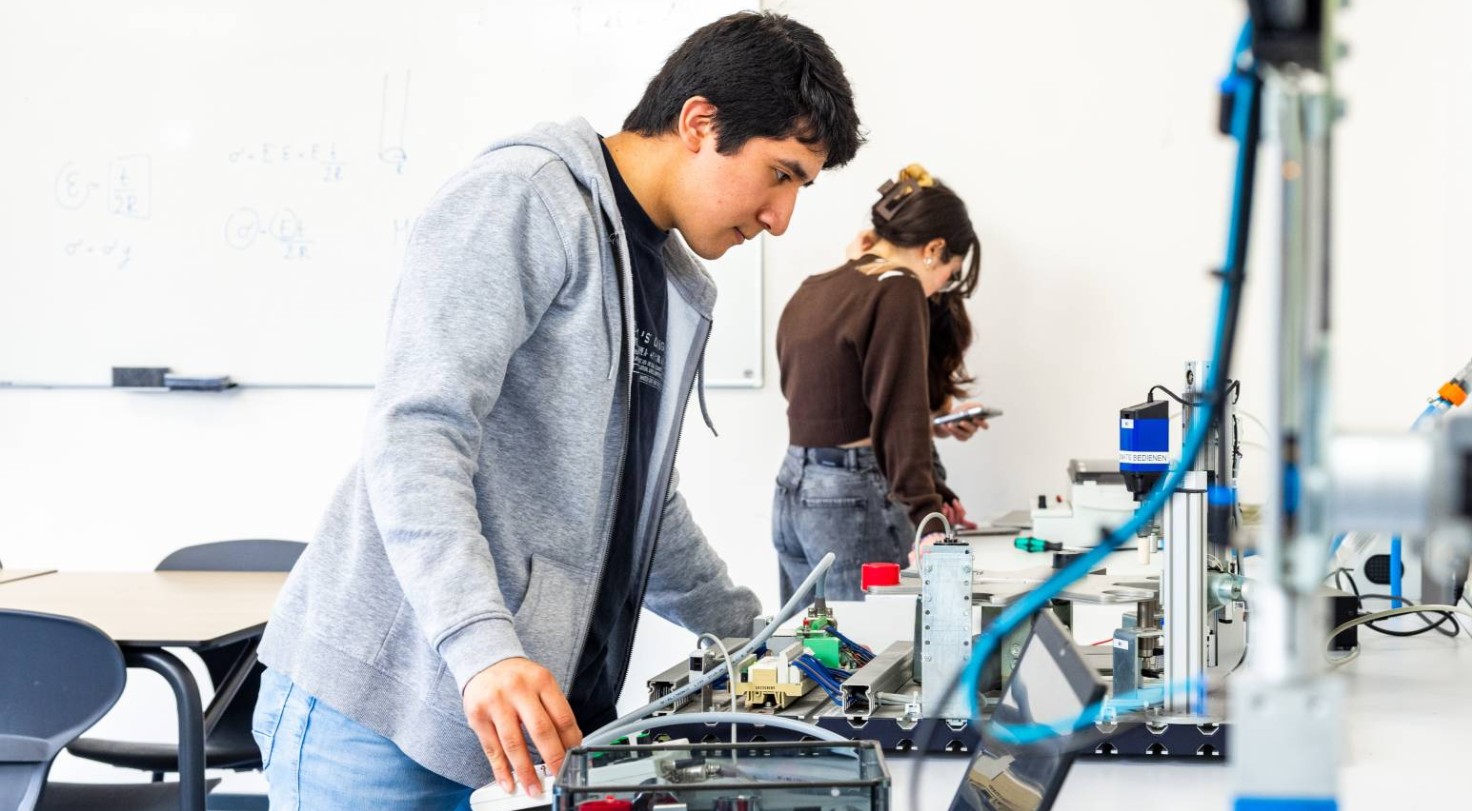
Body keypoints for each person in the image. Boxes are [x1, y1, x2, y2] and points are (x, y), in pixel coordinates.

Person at [251, 12, 863, 808]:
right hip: (383, 711)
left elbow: (640, 504)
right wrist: (481, 644)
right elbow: (417, 433)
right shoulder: (524, 198)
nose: (782, 218)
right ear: (700, 122)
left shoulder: (659, 273)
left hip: (511, 730)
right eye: (781, 174)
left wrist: (756, 640)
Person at [771, 163, 988, 602]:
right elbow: (897, 413)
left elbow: (847, 408)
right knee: (871, 656)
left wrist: (935, 490)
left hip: (795, 491)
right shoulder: (899, 287)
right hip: (852, 499)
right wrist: (928, 513)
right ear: (934, 249)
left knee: (809, 656)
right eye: (952, 270)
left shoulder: (816, 286)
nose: (945, 286)